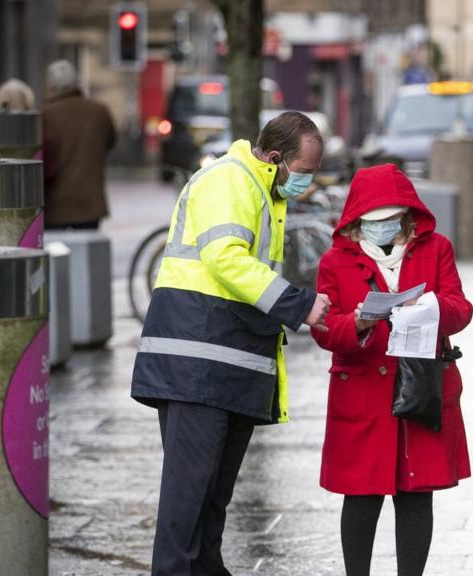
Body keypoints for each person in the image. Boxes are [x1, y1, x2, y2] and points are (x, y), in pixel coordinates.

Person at [131, 112, 332, 575]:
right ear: (277, 158)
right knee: (188, 503)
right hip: (196, 365)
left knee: (210, 503)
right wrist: (298, 305)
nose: (309, 184)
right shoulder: (230, 180)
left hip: (220, 366)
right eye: (304, 172)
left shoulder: (262, 191)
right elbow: (225, 259)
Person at [312, 164, 473, 576]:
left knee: (417, 494)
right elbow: (325, 327)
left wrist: (431, 307)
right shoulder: (335, 261)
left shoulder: (436, 249)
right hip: (363, 392)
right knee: (361, 496)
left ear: (406, 216)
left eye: (391, 220)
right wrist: (360, 322)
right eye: (372, 222)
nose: (381, 229)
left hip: (421, 387)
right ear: (356, 222)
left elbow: (460, 308)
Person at [41, 60, 116, 230]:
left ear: (51, 86)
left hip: (56, 206)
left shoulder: (45, 114)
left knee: (58, 253)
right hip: (90, 204)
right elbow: (110, 142)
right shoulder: (100, 111)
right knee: (88, 253)